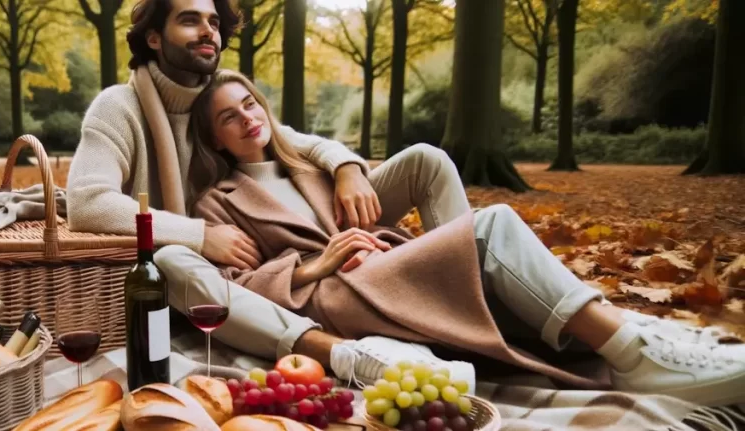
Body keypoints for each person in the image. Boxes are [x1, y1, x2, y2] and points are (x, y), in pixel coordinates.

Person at [181, 69, 745, 407]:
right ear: (217, 139)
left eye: (250, 103)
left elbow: (354, 181)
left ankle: (604, 332)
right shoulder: (217, 199)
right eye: (229, 118)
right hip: (338, 292)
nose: (248, 118)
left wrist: (348, 175)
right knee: (494, 223)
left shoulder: (310, 161)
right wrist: (313, 267)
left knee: (472, 218)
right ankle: (633, 358)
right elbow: (236, 285)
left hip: (384, 262)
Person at [65, 0, 478, 388]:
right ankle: (342, 353)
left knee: (426, 159)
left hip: (274, 226)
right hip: (216, 256)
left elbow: (289, 140)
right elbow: (87, 202)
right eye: (190, 20)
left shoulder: (220, 95)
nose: (208, 31)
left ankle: (472, 296)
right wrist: (200, 235)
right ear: (154, 37)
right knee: (169, 260)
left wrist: (348, 166)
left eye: (213, 22)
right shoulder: (119, 107)